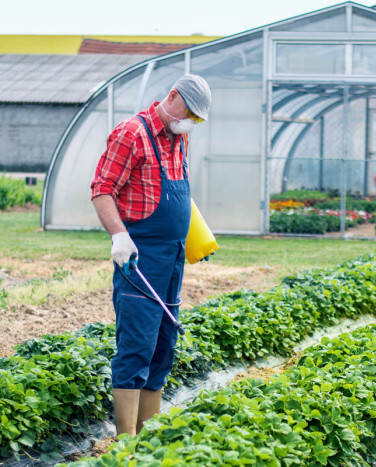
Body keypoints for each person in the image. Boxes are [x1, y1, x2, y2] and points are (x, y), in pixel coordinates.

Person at [90, 74, 211, 436]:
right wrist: (119, 236)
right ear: (172, 96)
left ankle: (148, 437)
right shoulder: (131, 133)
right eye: (189, 112)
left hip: (172, 259)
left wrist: (194, 235)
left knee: (162, 345)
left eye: (197, 119)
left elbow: (175, 194)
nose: (190, 121)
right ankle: (126, 442)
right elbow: (102, 188)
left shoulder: (180, 137)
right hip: (139, 260)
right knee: (137, 344)